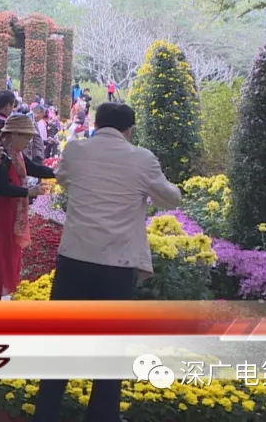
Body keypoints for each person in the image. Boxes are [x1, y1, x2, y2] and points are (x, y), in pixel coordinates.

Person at [32, 103, 182, 422]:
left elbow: (64, 179)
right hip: (118, 264)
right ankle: (102, 416)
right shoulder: (142, 159)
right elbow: (171, 198)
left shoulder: (76, 150)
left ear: (96, 123)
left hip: (75, 259)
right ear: (129, 130)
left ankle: (45, 414)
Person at [0, 115, 54, 301]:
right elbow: (0, 187)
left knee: (7, 258)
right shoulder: (1, 155)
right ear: (14, 135)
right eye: (26, 137)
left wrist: (57, 173)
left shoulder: (16, 154)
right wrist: (28, 192)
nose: (28, 142)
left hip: (11, 215)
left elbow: (34, 168)